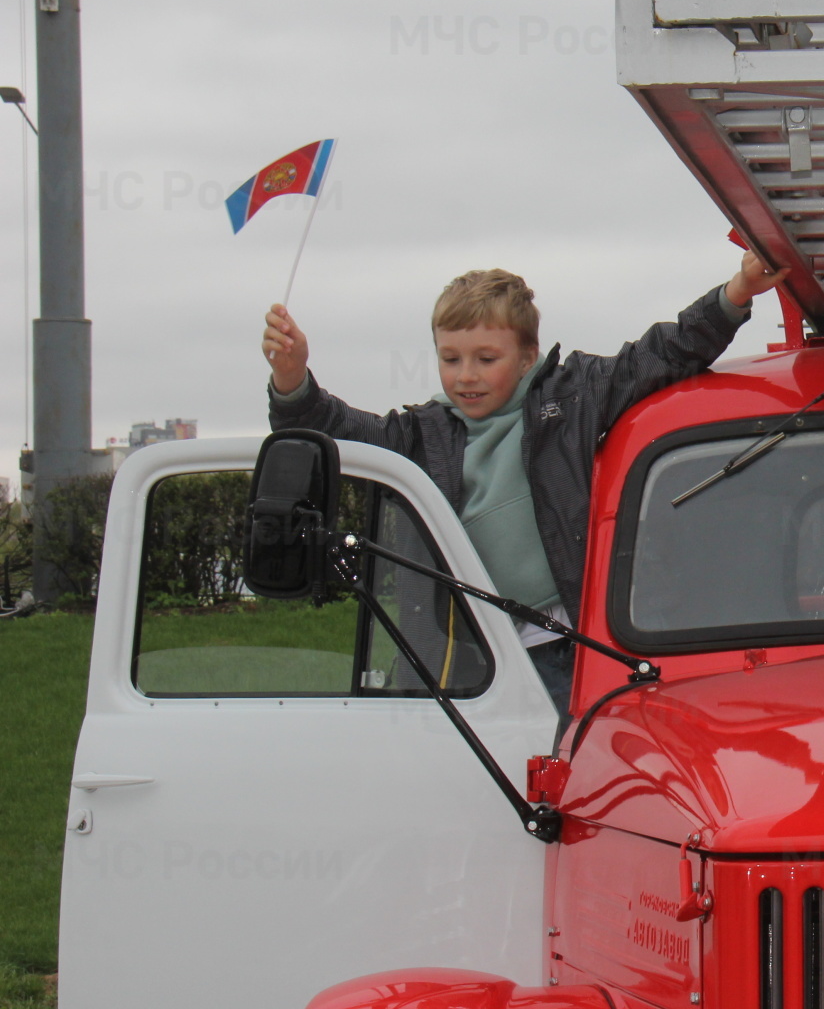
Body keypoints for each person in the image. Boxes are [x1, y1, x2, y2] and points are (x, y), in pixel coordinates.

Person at [261, 250, 786, 723]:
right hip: (470, 668)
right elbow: (334, 432)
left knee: (572, 776)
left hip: (569, 651)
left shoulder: (575, 396)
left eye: (486, 359)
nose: (466, 375)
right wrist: (292, 378)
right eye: (450, 359)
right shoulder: (420, 434)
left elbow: (664, 354)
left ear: (528, 356)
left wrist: (736, 293)